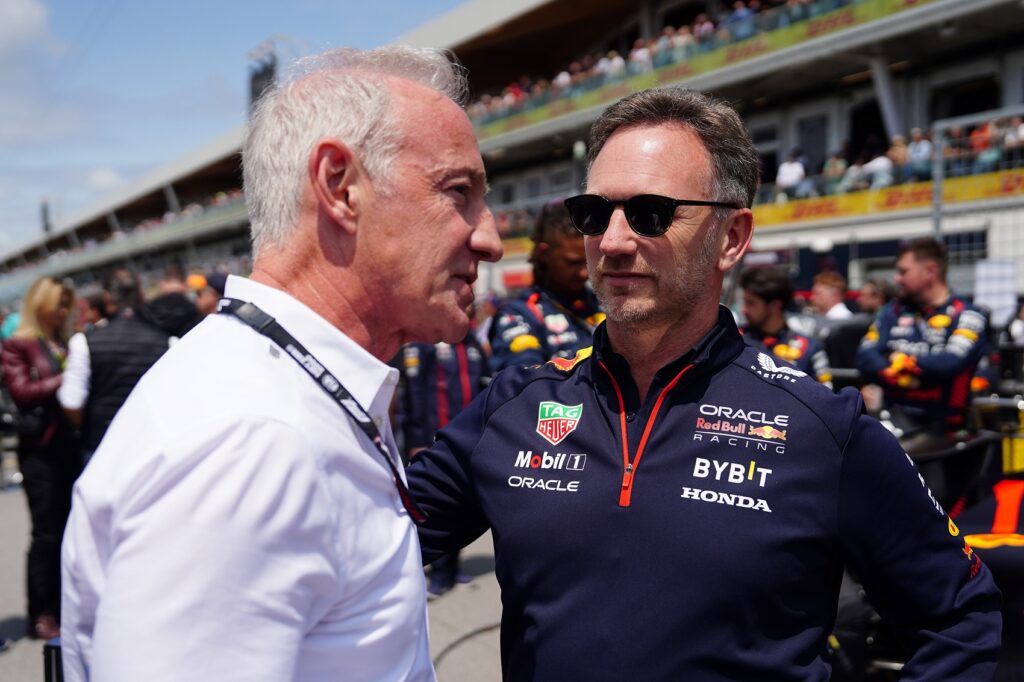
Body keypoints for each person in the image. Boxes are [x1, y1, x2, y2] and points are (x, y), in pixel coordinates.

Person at [406, 87, 1002, 680]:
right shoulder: (512, 407)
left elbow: (960, 619)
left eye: (650, 213)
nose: (612, 242)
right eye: (594, 213)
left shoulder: (823, 429)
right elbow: (362, 550)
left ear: (733, 238)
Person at [61, 45, 502, 682]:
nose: (487, 236)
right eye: (457, 192)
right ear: (340, 187)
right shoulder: (253, 439)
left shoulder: (280, 390)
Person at [855, 238, 989, 501]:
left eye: (904, 271)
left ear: (930, 271)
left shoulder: (968, 315)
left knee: (879, 454)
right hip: (893, 418)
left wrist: (904, 362)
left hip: (943, 428)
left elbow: (952, 362)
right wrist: (897, 371)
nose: (897, 279)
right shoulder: (891, 312)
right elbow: (865, 356)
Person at [1, 276, 79, 640]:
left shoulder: (62, 341)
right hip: (39, 451)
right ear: (43, 304)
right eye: (58, 303)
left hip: (68, 445)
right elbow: (22, 392)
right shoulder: (19, 345)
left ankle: (65, 604)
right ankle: (41, 610)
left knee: (69, 530)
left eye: (67, 303)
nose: (64, 309)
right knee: (46, 534)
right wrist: (66, 378)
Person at [58, 269, 200, 466]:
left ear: (107, 298)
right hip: (153, 447)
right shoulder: (167, 340)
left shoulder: (83, 342)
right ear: (141, 294)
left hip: (101, 446)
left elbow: (71, 402)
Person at [397, 312, 489, 598]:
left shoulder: (472, 343)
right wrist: (417, 439)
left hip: (470, 439)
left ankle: (450, 571)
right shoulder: (427, 344)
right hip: (434, 437)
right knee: (432, 508)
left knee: (463, 505)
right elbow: (415, 396)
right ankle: (437, 575)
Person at [488, 198, 603, 372]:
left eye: (588, 263)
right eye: (573, 262)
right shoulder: (519, 314)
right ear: (544, 253)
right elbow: (523, 383)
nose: (584, 273)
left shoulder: (602, 304)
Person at [740, 267, 832, 387]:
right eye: (745, 302)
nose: (744, 310)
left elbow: (826, 395)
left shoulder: (809, 348)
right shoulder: (733, 339)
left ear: (775, 305)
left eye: (751, 303)